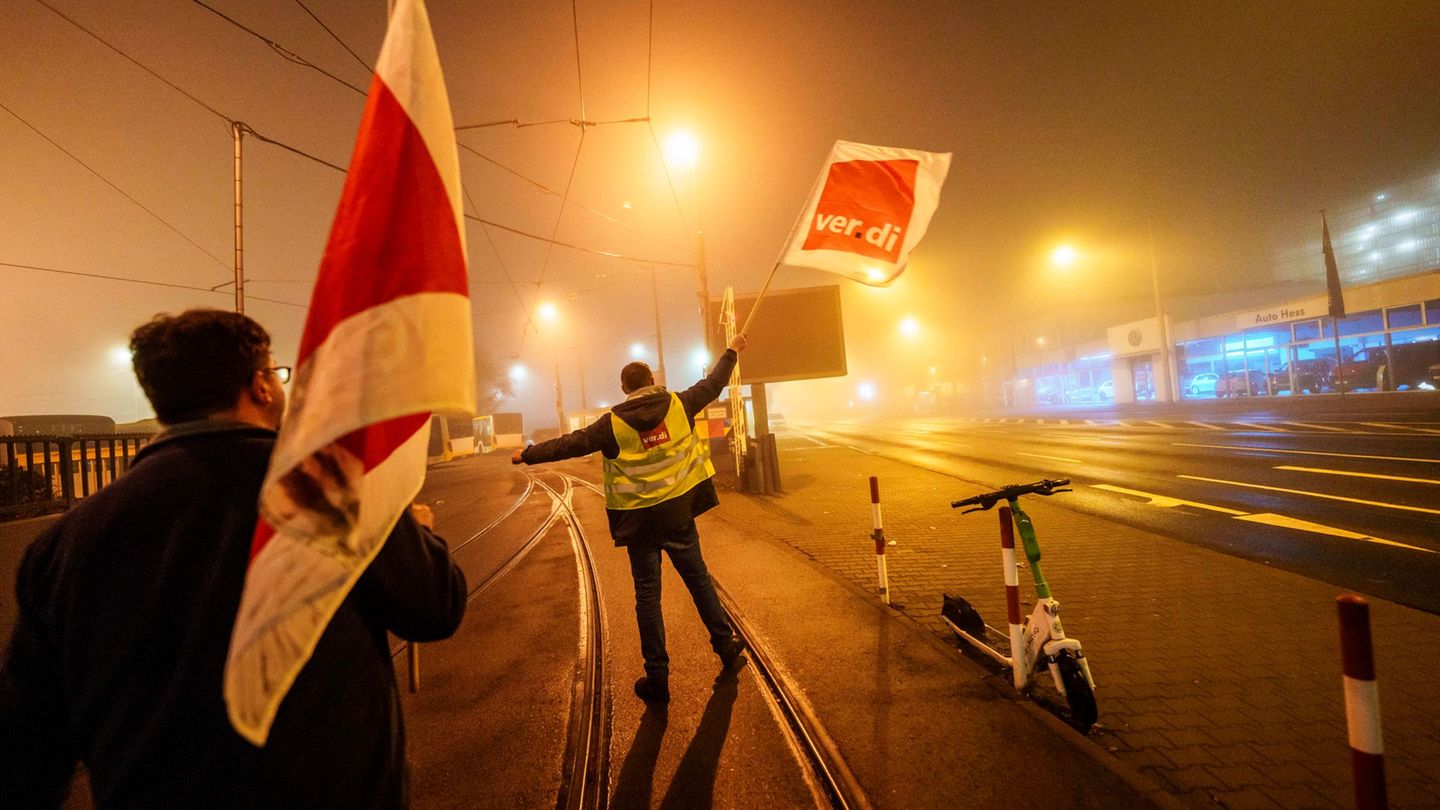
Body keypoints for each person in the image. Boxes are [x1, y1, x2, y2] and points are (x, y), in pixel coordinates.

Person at [0, 309, 467, 809]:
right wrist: (415, 533)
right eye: (275, 372)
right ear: (261, 385)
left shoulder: (66, 542)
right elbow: (434, 607)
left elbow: (28, 749)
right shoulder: (329, 487)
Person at [512, 334, 749, 704]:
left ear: (624, 388)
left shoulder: (612, 424)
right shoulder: (678, 404)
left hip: (641, 526)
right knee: (700, 582)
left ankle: (658, 679)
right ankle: (725, 646)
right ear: (652, 379)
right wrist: (732, 350)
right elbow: (713, 384)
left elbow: (568, 444)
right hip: (677, 515)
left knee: (648, 598)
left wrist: (527, 455)